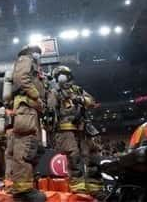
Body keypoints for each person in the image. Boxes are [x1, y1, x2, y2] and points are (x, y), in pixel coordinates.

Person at [49, 65, 101, 196]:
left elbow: (92, 102)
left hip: (83, 129)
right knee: (74, 158)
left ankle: (95, 188)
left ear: (69, 76)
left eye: (63, 73)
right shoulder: (54, 92)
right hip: (65, 131)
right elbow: (50, 109)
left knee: (92, 156)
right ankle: (79, 189)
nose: (61, 76)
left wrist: (81, 99)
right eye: (58, 74)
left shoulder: (77, 90)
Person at [10, 45, 47, 202]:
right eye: (36, 52)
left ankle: (26, 187)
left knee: (31, 148)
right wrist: (37, 97)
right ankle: (22, 190)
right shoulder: (25, 60)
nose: (38, 55)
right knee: (24, 147)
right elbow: (21, 78)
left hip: (32, 111)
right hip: (26, 109)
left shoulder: (34, 67)